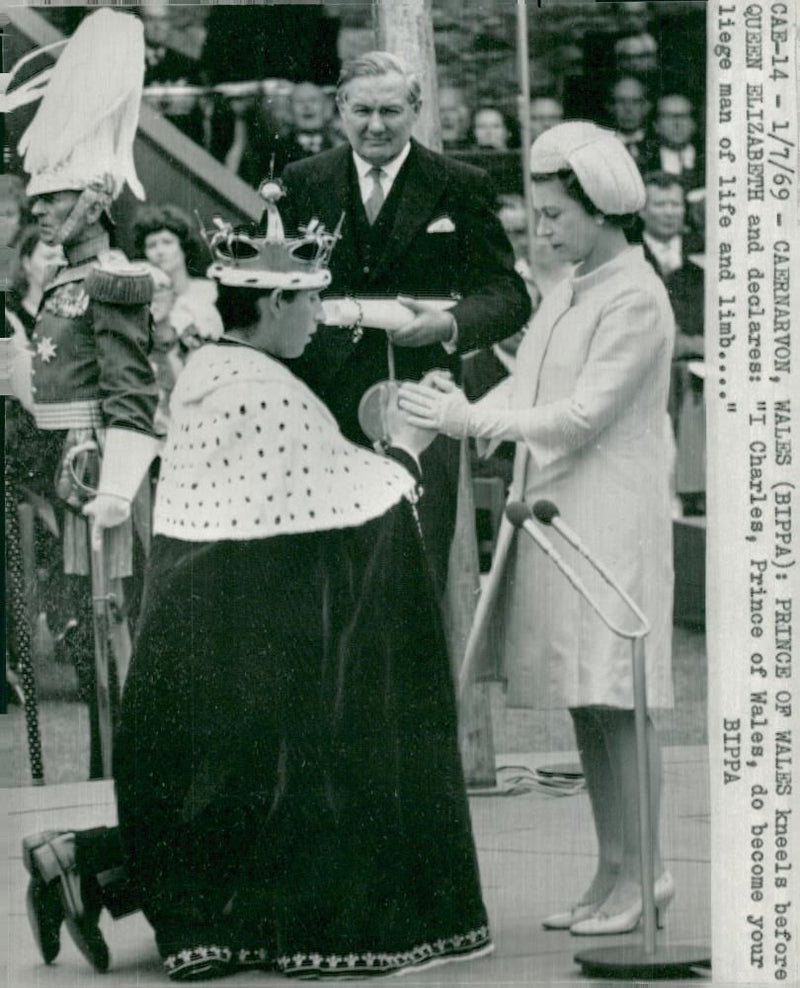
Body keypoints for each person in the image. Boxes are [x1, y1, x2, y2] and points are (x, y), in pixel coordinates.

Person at [22, 197, 492, 983]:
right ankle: (78, 862)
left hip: (203, 619)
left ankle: (75, 860)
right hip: (245, 626)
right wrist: (410, 450)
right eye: (309, 301)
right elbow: (360, 508)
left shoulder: (216, 369)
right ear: (274, 301)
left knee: (231, 783)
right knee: (297, 769)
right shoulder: (261, 387)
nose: (318, 317)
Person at [399, 121, 676, 936]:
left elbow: (584, 413)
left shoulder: (637, 295)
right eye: (540, 215)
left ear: (603, 210)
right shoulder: (572, 286)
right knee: (587, 703)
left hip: (609, 514)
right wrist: (461, 403)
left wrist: (467, 418)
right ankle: (613, 869)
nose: (543, 230)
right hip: (559, 511)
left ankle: (649, 870)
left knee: (621, 698)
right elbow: (525, 383)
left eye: (556, 215)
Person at [280, 50, 531, 591]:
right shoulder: (301, 183)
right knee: (325, 574)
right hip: (322, 402)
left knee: (413, 573)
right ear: (340, 108)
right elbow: (270, 289)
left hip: (423, 402)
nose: (375, 125)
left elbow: (508, 294)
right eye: (362, 110)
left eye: (391, 111)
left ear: (416, 109)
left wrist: (449, 325)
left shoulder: (459, 184)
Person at [5, 10, 159, 776]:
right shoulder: (62, 279)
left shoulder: (111, 280)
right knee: (80, 632)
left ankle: (132, 768)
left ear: (94, 201)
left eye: (54, 199)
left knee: (114, 631)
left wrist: (120, 487)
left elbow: (133, 397)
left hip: (100, 476)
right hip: (60, 474)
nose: (39, 211)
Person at [641, 93, 704, 191]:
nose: (677, 124)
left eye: (684, 116)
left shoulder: (708, 158)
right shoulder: (642, 159)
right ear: (656, 125)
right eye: (669, 116)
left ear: (694, 124)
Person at [607, 75, 651, 165]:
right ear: (611, 107)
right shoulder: (601, 147)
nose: (628, 109)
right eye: (621, 101)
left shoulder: (658, 145)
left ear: (647, 106)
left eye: (635, 101)